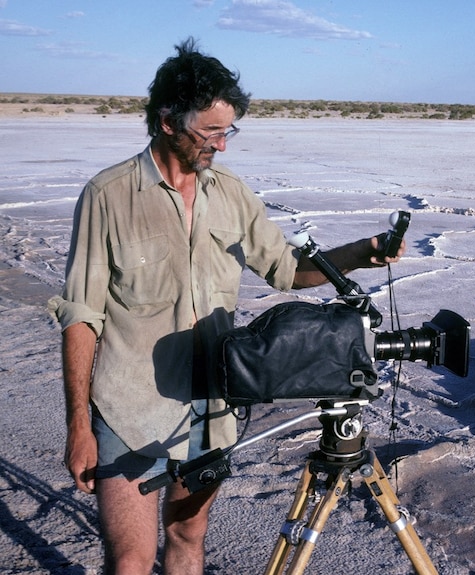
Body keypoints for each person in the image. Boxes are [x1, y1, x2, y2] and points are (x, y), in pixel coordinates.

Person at [49, 38, 402, 575]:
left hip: (212, 410)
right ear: (168, 120)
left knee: (188, 538)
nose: (222, 144)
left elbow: (286, 268)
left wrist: (357, 254)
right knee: (131, 559)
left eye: (227, 130)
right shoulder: (108, 195)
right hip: (127, 407)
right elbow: (81, 315)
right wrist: (78, 426)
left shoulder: (232, 193)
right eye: (210, 131)